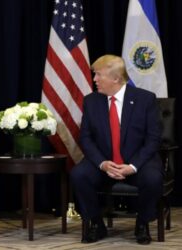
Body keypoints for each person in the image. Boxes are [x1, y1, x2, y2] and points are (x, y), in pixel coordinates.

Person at [70, 55, 163, 245]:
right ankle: (96, 223)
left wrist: (133, 166)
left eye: (98, 75)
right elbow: (85, 138)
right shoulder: (91, 101)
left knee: (153, 178)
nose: (94, 79)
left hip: (137, 162)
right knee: (79, 175)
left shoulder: (145, 99)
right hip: (104, 162)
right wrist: (102, 164)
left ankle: (142, 223)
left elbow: (153, 139)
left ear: (116, 79)